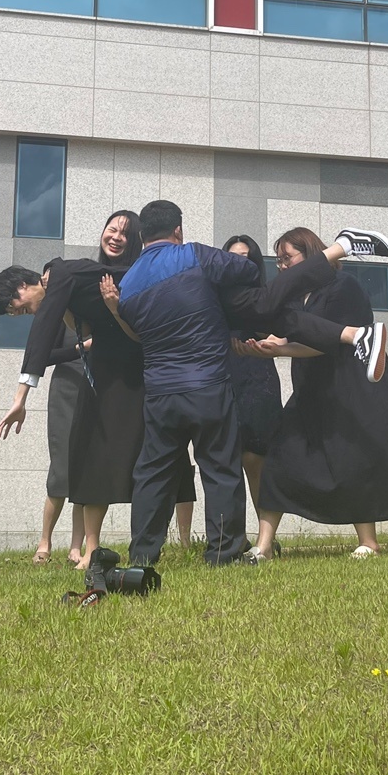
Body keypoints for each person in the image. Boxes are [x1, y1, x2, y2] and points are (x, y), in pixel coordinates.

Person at [0, 211, 194, 565]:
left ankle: (166, 542)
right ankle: (90, 548)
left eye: (15, 306)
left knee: (158, 453)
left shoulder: (67, 274)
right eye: (110, 229)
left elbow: (42, 336)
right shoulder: (69, 280)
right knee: (92, 455)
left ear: (23, 285)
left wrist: (20, 397)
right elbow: (74, 331)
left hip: (142, 368)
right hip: (106, 372)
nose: (21, 313)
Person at [246, 228, 388, 562]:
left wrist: (281, 348)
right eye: (280, 261)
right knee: (279, 458)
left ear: (311, 253)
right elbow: (297, 336)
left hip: (349, 387)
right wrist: (271, 345)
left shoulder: (344, 286)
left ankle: (369, 543)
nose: (283, 266)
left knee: (353, 461)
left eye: (288, 258)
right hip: (310, 389)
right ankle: (263, 546)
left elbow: (328, 343)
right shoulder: (291, 298)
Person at [110, 200, 265, 567]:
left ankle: (142, 555)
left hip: (160, 393)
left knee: (153, 473)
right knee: (220, 468)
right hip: (208, 384)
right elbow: (247, 269)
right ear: (177, 229)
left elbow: (135, 326)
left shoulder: (128, 283)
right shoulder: (195, 255)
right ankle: (224, 553)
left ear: (142, 235)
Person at [221, 235, 284, 520]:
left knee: (256, 458)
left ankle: (265, 534)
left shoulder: (266, 294)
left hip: (258, 375)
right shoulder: (213, 294)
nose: (239, 263)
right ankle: (230, 535)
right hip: (223, 374)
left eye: (245, 257)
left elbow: (279, 332)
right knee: (225, 460)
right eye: (233, 257)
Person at [37, 319, 87, 566]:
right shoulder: (62, 317)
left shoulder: (102, 313)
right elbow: (44, 356)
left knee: (87, 473)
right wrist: (81, 348)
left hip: (98, 392)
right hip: (66, 391)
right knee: (61, 470)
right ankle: (44, 541)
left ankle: (76, 547)